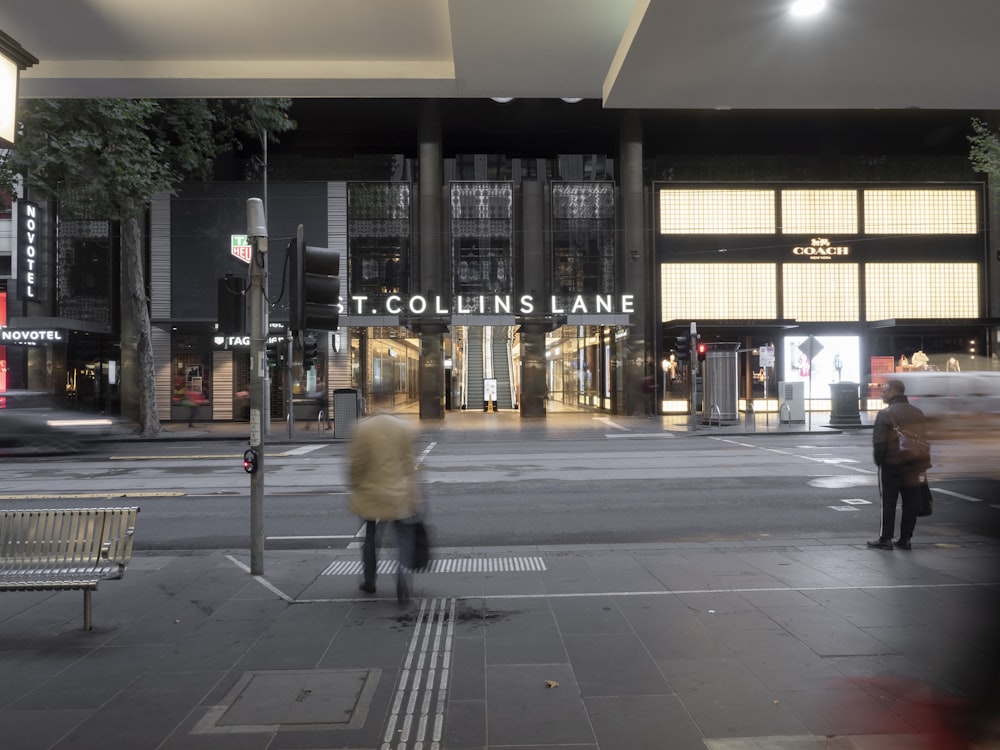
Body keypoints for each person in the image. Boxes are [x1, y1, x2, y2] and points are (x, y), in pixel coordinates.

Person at [348, 413, 420, 602]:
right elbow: (409, 464)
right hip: (398, 494)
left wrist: (355, 485)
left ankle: (370, 580)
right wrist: (415, 493)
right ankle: (403, 578)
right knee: (403, 537)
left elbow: (356, 464)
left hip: (370, 494)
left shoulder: (362, 428)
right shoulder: (402, 427)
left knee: (370, 538)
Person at [868, 379, 930, 551]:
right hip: (914, 464)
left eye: (885, 390)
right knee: (910, 503)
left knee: (888, 502)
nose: (882, 393)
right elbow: (924, 439)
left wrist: (880, 462)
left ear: (894, 392)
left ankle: (886, 538)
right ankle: (905, 539)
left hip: (891, 465)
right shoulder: (918, 412)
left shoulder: (885, 414)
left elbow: (879, 442)